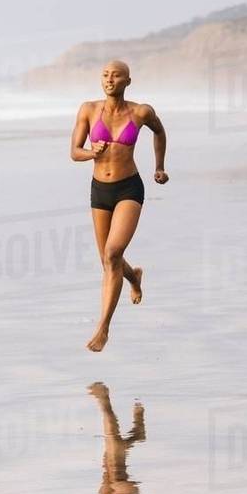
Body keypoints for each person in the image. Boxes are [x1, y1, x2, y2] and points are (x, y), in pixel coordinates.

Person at [69, 60, 168, 351]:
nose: (109, 79)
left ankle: (103, 327)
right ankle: (133, 276)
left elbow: (160, 131)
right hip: (100, 190)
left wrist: (160, 166)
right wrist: (91, 152)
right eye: (105, 75)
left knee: (113, 253)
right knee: (107, 261)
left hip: (129, 188)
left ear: (127, 81)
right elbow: (74, 152)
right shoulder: (88, 109)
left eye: (116, 76)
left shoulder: (141, 112)